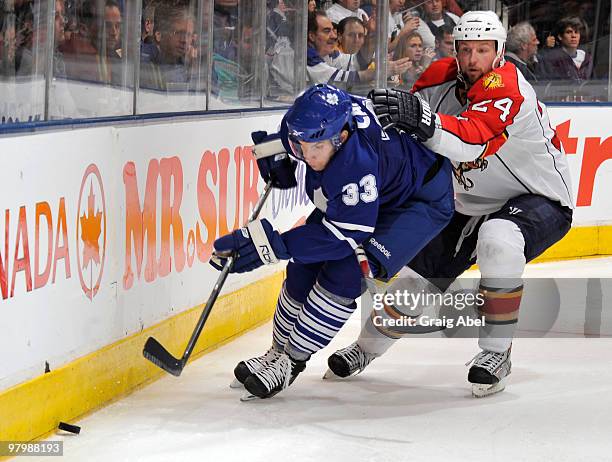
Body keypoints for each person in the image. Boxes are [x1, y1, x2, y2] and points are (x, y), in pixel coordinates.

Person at [327, 11, 574, 398]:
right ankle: (366, 348)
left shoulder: (509, 87)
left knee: (499, 238)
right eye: (466, 50)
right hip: (466, 200)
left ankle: (496, 352)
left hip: (537, 196)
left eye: (483, 50)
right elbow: (400, 124)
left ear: (499, 53)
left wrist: (423, 121)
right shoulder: (441, 76)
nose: (473, 59)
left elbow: (471, 140)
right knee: (414, 282)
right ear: (455, 50)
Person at [210, 84, 454, 400]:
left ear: (340, 138)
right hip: (380, 187)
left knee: (346, 270)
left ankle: (292, 361)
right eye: (301, 148)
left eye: (316, 149)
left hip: (416, 201)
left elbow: (345, 237)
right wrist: (281, 152)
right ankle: (276, 350)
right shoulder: (306, 125)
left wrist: (272, 246)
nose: (307, 157)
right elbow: (292, 139)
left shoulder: (356, 162)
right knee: (304, 263)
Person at [307, 11, 411, 90]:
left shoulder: (330, 55)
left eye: (332, 31)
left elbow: (357, 62)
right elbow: (342, 78)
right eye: (326, 31)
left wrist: (372, 34)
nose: (333, 36)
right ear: (311, 36)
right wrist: (380, 72)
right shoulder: (306, 57)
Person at [539, 16, 593, 82]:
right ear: (560, 36)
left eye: (576, 32)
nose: (573, 36)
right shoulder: (551, 59)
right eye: (569, 32)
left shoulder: (587, 58)